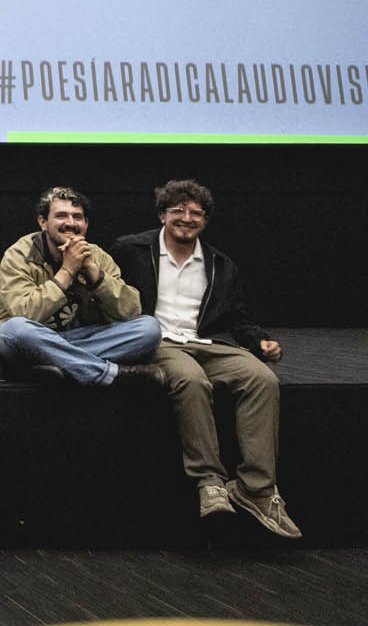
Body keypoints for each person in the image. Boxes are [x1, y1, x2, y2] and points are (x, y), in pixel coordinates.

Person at [109, 180, 301, 538]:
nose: (187, 218)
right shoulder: (130, 250)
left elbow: (238, 319)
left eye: (196, 213)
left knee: (262, 378)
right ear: (162, 215)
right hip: (155, 340)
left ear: (205, 221)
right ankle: (209, 480)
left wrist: (261, 341)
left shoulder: (220, 264)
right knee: (191, 379)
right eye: (178, 210)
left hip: (202, 342)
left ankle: (256, 489)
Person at [0, 186, 163, 384]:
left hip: (77, 338)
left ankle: (61, 364)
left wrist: (93, 272)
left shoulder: (96, 256)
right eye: (61, 216)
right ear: (43, 222)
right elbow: (25, 312)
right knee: (14, 330)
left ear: (86, 224)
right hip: (33, 338)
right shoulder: (19, 254)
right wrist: (67, 271)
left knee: (149, 329)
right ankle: (109, 373)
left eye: (77, 217)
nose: (71, 223)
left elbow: (130, 311)